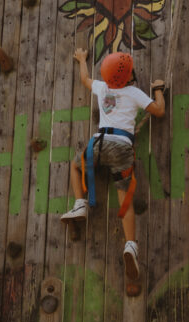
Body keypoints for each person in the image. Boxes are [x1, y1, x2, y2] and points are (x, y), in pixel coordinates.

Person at [61, 47, 165, 280]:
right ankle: (130, 245)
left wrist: (81, 59)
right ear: (128, 76)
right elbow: (159, 111)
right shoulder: (134, 92)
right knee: (125, 200)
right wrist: (158, 89)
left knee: (75, 166)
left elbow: (85, 79)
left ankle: (80, 203)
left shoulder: (102, 88)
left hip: (98, 144)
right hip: (121, 148)